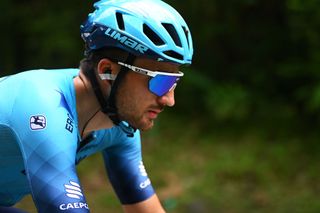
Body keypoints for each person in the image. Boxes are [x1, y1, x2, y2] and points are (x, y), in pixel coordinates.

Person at [0, 0, 193, 212]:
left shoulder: (120, 125)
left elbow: (144, 207)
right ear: (108, 71)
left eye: (174, 82)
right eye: (160, 81)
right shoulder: (43, 106)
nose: (169, 99)